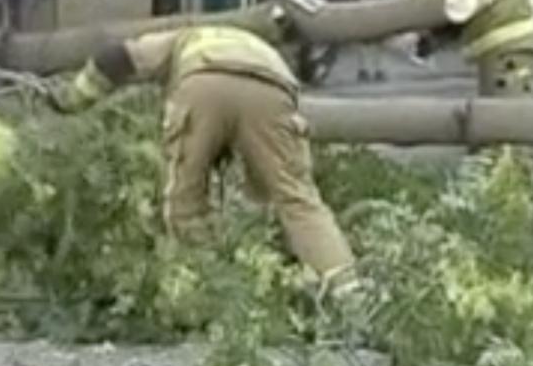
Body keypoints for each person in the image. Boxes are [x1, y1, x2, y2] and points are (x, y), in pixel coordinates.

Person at [46, 25, 356, 287]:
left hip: (203, 80)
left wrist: (71, 101)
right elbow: (261, 181)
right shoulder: (256, 46)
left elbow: (116, 57)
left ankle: (200, 283)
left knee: (184, 198)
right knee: (297, 198)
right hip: (272, 90)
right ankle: (347, 291)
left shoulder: (180, 39)